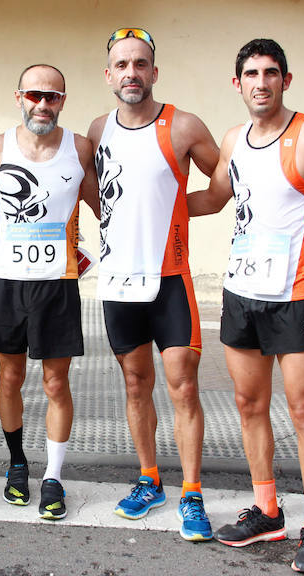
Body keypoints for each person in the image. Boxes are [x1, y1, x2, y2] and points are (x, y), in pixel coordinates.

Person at [188, 38, 304, 574]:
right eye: (251, 74)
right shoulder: (233, 139)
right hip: (242, 295)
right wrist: (144, 207)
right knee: (248, 404)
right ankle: (267, 509)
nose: (260, 82)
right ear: (235, 82)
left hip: (301, 296)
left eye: (270, 73)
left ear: (286, 79)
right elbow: (214, 199)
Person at [86, 28, 220, 541]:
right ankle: (149, 480)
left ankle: (191, 492)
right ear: (109, 75)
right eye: (122, 65)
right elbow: (93, 192)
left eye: (140, 64)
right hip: (120, 280)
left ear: (154, 72)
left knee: (183, 384)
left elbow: (224, 181)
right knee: (135, 383)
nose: (131, 73)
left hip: (170, 281)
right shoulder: (98, 129)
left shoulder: (183, 125)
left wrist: (177, 212)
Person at [0, 64, 99, 520]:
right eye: (34, 95)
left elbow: (99, 203)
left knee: (54, 382)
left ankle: (53, 476)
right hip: (8, 280)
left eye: (52, 96)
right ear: (19, 97)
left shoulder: (80, 147)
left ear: (62, 101)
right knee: (8, 379)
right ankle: (17, 464)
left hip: (59, 282)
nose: (42, 104)